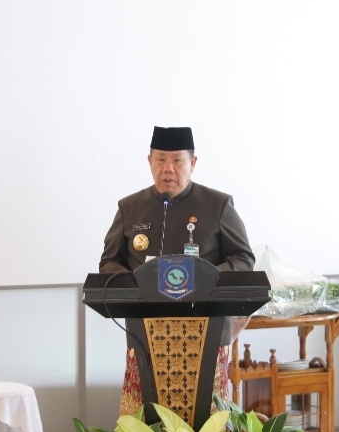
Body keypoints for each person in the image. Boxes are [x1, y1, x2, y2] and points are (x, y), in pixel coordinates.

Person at [99, 126, 255, 416]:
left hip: (206, 334)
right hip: (146, 335)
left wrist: (205, 279)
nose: (168, 168)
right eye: (160, 160)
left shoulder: (218, 205)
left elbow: (244, 258)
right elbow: (108, 263)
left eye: (177, 160)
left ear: (192, 163)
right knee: (147, 424)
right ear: (149, 162)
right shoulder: (129, 208)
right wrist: (137, 283)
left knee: (204, 423)